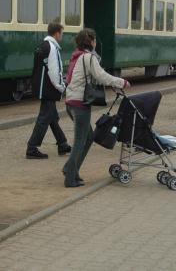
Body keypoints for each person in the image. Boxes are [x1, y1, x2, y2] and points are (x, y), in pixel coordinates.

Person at [63, 28, 128, 187]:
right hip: (80, 104)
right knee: (80, 140)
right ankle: (70, 177)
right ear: (91, 41)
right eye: (94, 40)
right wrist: (121, 82)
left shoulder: (76, 56)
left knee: (88, 138)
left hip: (71, 102)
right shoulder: (88, 57)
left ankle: (70, 169)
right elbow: (101, 76)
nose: (95, 43)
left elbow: (88, 77)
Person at [26, 22, 71, 159]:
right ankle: (32, 148)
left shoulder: (42, 45)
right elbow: (54, 70)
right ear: (57, 33)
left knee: (52, 117)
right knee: (45, 117)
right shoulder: (52, 48)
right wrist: (61, 87)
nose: (62, 36)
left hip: (41, 87)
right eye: (61, 34)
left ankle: (62, 144)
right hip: (48, 88)